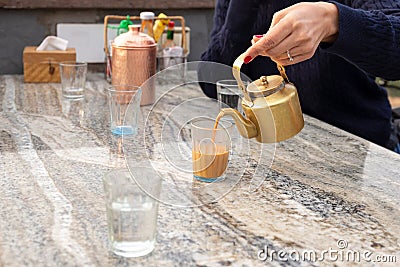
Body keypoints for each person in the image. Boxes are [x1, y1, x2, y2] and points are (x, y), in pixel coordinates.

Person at [199, 0, 400, 153]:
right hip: (269, 151)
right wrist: (240, 14)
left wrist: (335, 21)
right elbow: (211, 84)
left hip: (357, 148)